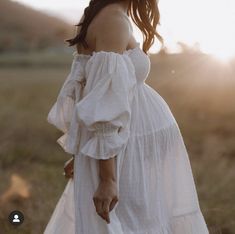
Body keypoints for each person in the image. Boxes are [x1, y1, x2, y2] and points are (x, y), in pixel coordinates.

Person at [44, 0, 210, 233]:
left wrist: (83, 149)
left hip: (129, 148)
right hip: (125, 150)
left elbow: (88, 94)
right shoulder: (113, 21)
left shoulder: (106, 15)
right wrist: (107, 179)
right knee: (131, 224)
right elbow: (101, 104)